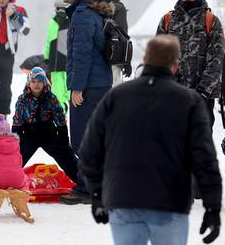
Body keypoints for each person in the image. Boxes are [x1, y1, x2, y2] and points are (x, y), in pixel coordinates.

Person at [79, 35, 222, 245]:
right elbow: (205, 159)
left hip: (123, 201)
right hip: (170, 203)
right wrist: (212, 207)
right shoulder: (189, 102)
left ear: (145, 60)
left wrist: (97, 192)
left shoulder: (116, 97)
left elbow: (90, 152)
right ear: (175, 66)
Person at [60, 0, 113, 204]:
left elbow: (82, 55)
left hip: (89, 85)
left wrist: (77, 88)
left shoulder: (82, 15)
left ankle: (87, 189)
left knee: (82, 138)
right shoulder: (93, 10)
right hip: (100, 83)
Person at [156, 0, 225, 128]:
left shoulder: (211, 21)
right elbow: (157, 58)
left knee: (198, 145)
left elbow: (216, 59)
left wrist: (203, 92)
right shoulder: (167, 20)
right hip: (171, 97)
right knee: (170, 144)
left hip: (201, 98)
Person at [11, 67, 82, 197]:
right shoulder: (22, 99)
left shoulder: (51, 98)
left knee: (67, 157)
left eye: (39, 81)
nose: (36, 84)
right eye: (33, 81)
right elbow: (17, 121)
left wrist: (63, 139)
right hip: (29, 135)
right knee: (15, 160)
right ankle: (8, 184)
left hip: (48, 134)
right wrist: (15, 142)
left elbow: (60, 119)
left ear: (44, 83)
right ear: (29, 83)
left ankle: (84, 183)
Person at [98, 0, 131, 85]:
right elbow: (121, 36)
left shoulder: (96, 4)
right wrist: (126, 61)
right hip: (113, 61)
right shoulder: (119, 8)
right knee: (113, 96)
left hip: (96, 60)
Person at [43, 0, 71, 112]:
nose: (60, 11)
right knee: (57, 92)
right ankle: (60, 113)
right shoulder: (52, 22)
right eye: (58, 9)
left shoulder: (71, 22)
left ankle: (64, 108)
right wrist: (46, 57)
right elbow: (49, 41)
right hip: (55, 65)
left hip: (68, 63)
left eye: (62, 9)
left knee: (68, 92)